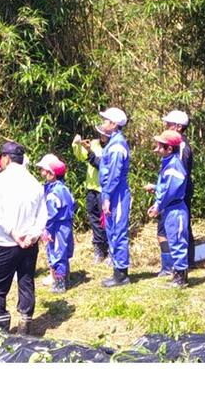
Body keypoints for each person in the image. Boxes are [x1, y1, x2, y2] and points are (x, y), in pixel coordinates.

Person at [0, 141, 49, 333]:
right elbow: (42, 215)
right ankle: (25, 323)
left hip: (6, 242)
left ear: (6, 158)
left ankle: (2, 326)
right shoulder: (35, 183)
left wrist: (14, 233)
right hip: (29, 244)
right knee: (26, 281)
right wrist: (33, 236)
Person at [86, 107, 131, 288]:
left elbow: (113, 174)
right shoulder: (113, 142)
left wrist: (106, 197)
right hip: (111, 192)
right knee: (112, 230)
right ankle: (117, 271)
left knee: (118, 231)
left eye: (105, 120)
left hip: (117, 193)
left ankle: (121, 274)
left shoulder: (117, 145)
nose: (103, 123)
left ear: (113, 124)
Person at [146, 129, 190, 288]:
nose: (156, 148)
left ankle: (181, 279)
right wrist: (156, 191)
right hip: (170, 208)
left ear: (169, 149)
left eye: (160, 145)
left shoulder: (174, 166)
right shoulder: (168, 163)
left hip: (175, 210)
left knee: (177, 242)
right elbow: (165, 188)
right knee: (173, 240)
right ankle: (177, 275)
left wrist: (158, 206)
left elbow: (170, 192)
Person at [161, 110, 195, 269]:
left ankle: (184, 263)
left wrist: (169, 192)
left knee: (181, 226)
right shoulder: (176, 145)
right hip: (176, 192)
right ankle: (181, 262)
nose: (166, 126)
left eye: (169, 124)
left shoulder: (181, 147)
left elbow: (179, 174)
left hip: (180, 193)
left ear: (178, 127)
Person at [36, 154, 74, 293]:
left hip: (57, 226)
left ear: (51, 174)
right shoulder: (62, 188)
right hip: (65, 224)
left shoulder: (54, 191)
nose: (41, 172)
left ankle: (60, 283)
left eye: (43, 170)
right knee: (63, 251)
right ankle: (65, 278)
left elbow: (51, 214)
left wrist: (47, 229)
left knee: (57, 252)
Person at [71, 133, 108, 265]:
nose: (102, 135)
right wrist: (76, 144)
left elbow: (101, 165)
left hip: (104, 189)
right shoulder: (94, 143)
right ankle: (99, 249)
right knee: (94, 219)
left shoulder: (111, 148)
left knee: (106, 221)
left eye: (105, 133)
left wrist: (88, 150)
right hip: (91, 187)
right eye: (101, 133)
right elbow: (82, 156)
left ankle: (110, 249)